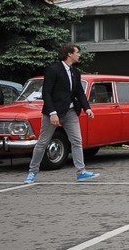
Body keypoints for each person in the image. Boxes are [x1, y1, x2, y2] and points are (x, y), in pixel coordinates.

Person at [24, 44, 99, 183]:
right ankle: (32, 172)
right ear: (69, 54)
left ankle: (81, 172)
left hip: (70, 112)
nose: (79, 55)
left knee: (77, 141)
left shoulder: (75, 72)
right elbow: (46, 92)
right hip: (53, 112)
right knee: (43, 142)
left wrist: (87, 108)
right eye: (77, 52)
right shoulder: (53, 70)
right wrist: (52, 113)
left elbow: (79, 92)